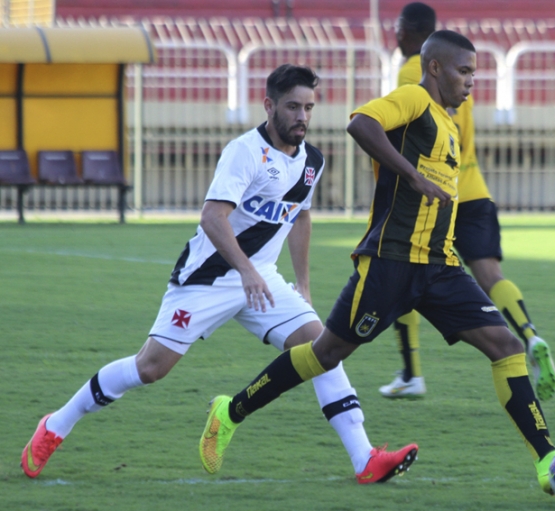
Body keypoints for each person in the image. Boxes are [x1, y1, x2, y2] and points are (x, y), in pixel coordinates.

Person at [199, 30, 555, 496]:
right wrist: (411, 176)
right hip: (390, 263)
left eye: (474, 72)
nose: (472, 81)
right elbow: (361, 123)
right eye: (464, 71)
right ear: (435, 68)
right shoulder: (413, 98)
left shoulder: (450, 123)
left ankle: (548, 460)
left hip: (440, 267)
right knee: (326, 354)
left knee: (506, 346)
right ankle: (231, 411)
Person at [21, 64, 416, 484]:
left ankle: (364, 458)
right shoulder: (243, 152)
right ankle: (54, 426)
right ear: (269, 106)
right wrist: (244, 270)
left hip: (262, 279)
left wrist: (302, 284)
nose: (302, 116)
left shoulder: (311, 161)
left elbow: (301, 218)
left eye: (309, 108)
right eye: (293, 107)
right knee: (150, 368)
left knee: (323, 349)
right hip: (207, 279)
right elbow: (213, 216)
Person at [379, 2, 555, 400]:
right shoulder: (462, 72)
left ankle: (412, 374)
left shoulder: (416, 70)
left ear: (410, 32)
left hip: (433, 194)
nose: (394, 35)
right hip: (474, 190)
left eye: (397, 28)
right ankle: (529, 335)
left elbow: (402, 130)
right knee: (490, 275)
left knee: (404, 272)